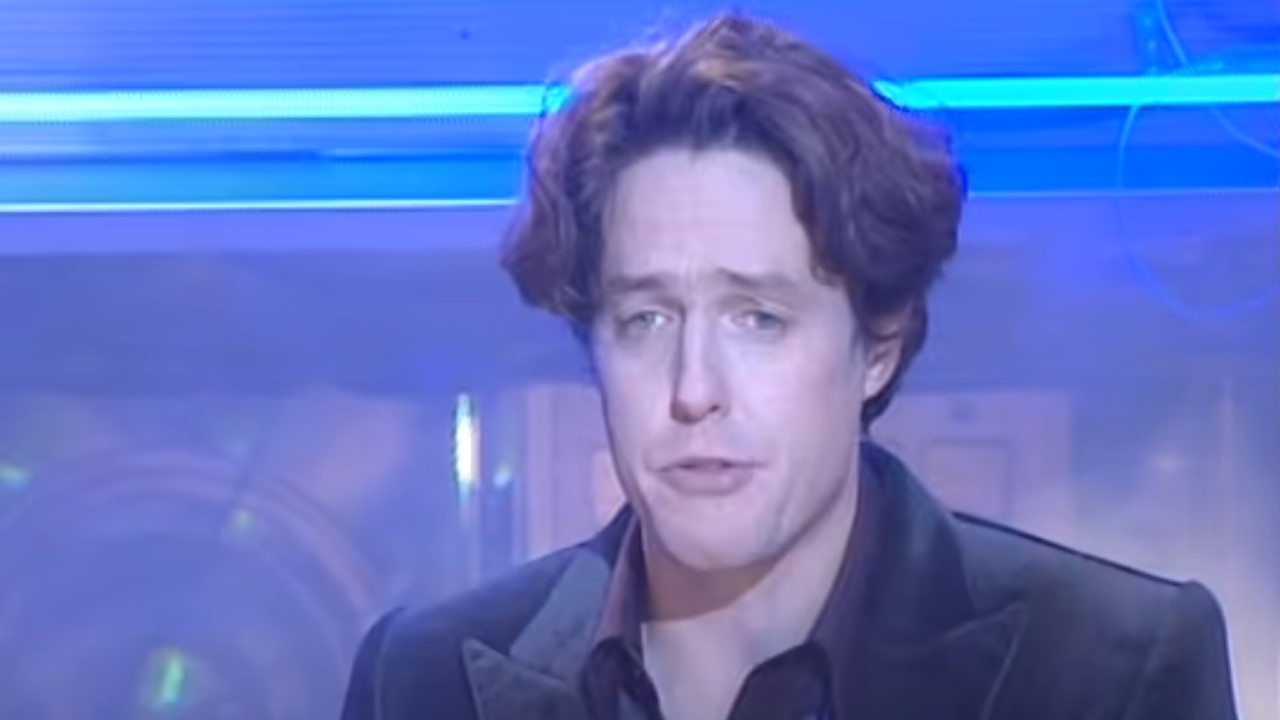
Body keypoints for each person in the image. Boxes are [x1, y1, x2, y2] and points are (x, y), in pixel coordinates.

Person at [340, 12, 1237, 720]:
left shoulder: (1111, 671)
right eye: (646, 319)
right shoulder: (419, 682)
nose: (694, 391)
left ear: (877, 345)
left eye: (758, 319)